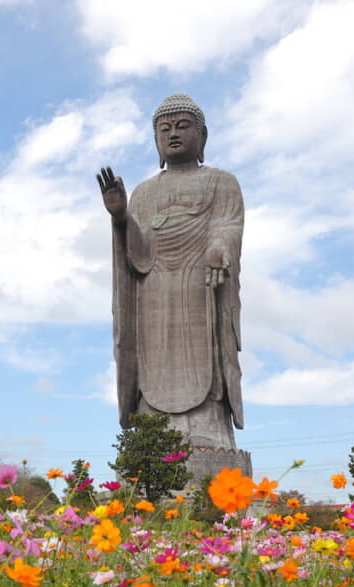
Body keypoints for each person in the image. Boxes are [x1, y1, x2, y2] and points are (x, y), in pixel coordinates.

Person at [98, 94, 244, 452]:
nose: (173, 134)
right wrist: (120, 217)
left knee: (204, 355)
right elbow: (139, 255)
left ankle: (208, 430)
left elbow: (229, 225)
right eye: (165, 129)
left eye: (183, 126)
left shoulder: (221, 182)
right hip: (154, 290)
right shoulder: (145, 192)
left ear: (202, 136)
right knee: (153, 358)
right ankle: (153, 432)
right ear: (156, 141)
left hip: (200, 284)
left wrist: (219, 245)